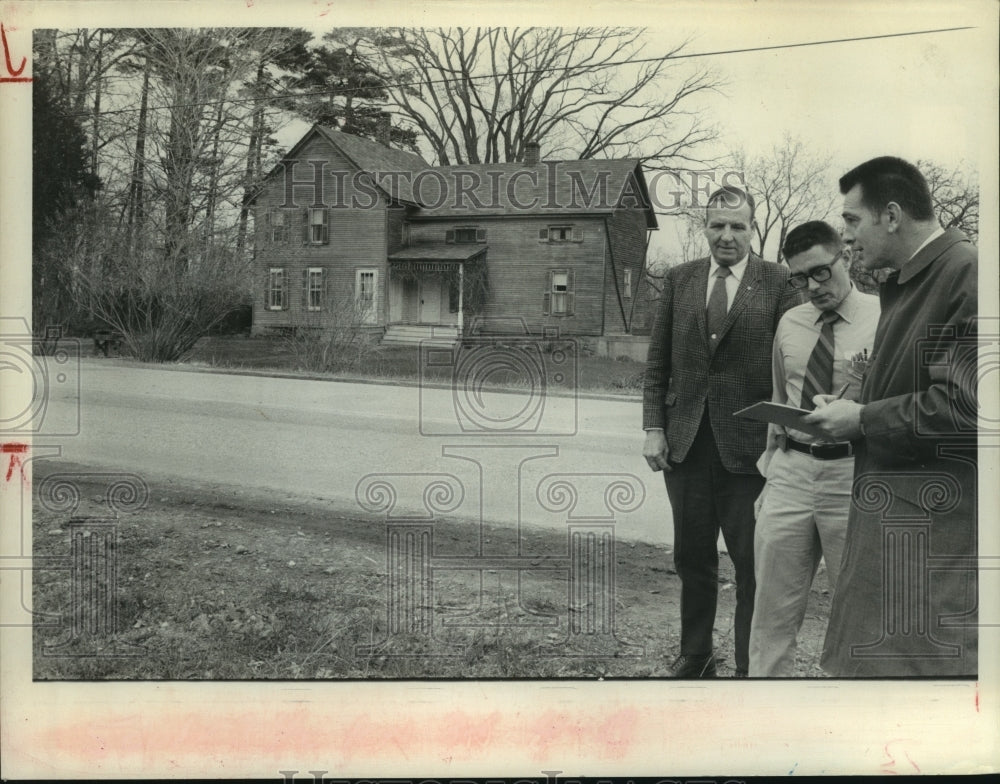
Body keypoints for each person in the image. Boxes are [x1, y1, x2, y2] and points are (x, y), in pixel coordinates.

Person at [804, 156, 978, 677]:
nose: (846, 236)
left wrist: (862, 420)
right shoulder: (911, 282)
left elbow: (968, 411)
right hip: (896, 535)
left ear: (893, 215)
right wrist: (850, 408)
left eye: (853, 221)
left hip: (930, 551)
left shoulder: (965, 274)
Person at [642, 185, 803, 678]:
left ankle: (747, 667)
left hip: (750, 450)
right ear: (704, 227)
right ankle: (696, 656)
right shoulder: (680, 279)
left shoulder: (778, 282)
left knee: (753, 565)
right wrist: (654, 427)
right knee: (692, 557)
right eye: (717, 225)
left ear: (751, 229)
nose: (726, 235)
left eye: (737, 226)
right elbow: (657, 364)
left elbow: (790, 364)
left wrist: (782, 437)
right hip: (686, 445)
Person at [748, 221, 880, 677]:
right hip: (790, 474)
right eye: (800, 278)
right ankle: (765, 705)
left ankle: (849, 712)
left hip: (851, 477)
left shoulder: (884, 317)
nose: (812, 287)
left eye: (821, 272)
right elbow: (780, 398)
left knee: (858, 608)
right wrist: (771, 476)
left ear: (845, 256)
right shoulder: (790, 322)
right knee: (771, 609)